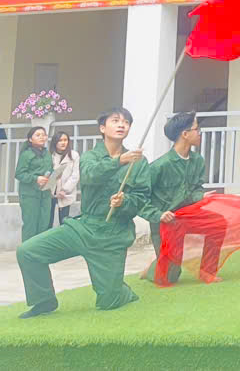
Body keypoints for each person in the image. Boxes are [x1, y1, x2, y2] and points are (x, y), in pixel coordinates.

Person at [16, 108, 152, 317]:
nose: (121, 125)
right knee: (27, 251)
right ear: (102, 128)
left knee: (110, 301)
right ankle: (44, 300)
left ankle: (119, 289)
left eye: (126, 122)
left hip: (113, 234)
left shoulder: (139, 162)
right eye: (115, 120)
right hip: (84, 227)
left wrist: (125, 201)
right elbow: (89, 176)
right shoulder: (89, 157)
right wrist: (119, 161)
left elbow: (142, 197)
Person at [144, 112, 226, 286]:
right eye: (197, 129)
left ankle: (207, 271)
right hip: (166, 221)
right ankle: (153, 268)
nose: (200, 133)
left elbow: (195, 189)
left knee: (217, 223)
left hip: (188, 215)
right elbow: (140, 197)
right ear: (185, 134)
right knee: (168, 278)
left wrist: (201, 196)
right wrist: (158, 214)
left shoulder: (197, 161)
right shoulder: (159, 166)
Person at [15, 127, 54, 242]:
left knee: (44, 224)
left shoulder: (47, 154)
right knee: (30, 225)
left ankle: (39, 250)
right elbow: (19, 174)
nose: (42, 137)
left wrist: (53, 176)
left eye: (43, 135)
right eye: (38, 135)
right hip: (30, 195)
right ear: (30, 139)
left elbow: (50, 170)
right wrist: (35, 179)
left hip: (45, 194)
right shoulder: (26, 154)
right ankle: (27, 251)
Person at [49, 132, 79, 227]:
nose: (63, 143)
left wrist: (64, 190)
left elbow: (75, 175)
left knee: (64, 221)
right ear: (55, 142)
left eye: (65, 140)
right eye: (60, 140)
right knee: (48, 221)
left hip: (65, 193)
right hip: (51, 192)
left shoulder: (74, 155)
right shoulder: (50, 155)